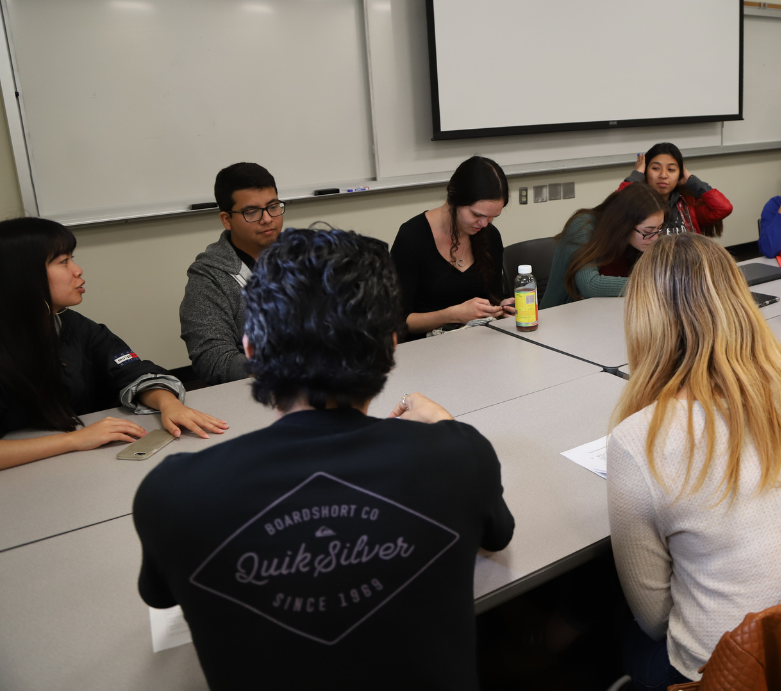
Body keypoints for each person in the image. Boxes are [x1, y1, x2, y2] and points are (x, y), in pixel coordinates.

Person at [134, 227, 515, 691]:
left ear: (251, 351)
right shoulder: (459, 454)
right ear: (391, 346)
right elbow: (496, 536)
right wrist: (446, 428)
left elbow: (162, 596)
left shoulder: (173, 492)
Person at [607, 233, 781, 690]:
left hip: (735, 673)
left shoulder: (637, 441)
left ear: (644, 321)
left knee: (621, 636)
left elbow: (656, 619)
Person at [0, 218, 227, 471]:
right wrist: (73, 440)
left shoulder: (70, 323)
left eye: (72, 259)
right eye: (63, 262)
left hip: (77, 466)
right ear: (24, 275)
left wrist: (169, 404)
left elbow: (131, 370)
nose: (78, 270)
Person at [180, 162, 284, 384]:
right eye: (252, 212)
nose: (267, 218)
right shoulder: (208, 277)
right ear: (227, 220)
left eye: (273, 206)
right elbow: (213, 360)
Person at [391, 156, 515, 338]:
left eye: (492, 217)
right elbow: (399, 321)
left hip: (478, 342)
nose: (484, 224)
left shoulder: (490, 236)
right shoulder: (412, 236)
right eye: (476, 215)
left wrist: (500, 308)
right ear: (454, 199)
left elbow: (492, 296)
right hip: (425, 347)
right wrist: (452, 314)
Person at [542, 184, 668, 308]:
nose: (655, 238)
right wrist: (653, 284)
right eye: (647, 231)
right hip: (562, 314)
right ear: (625, 224)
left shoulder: (636, 241)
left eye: (659, 228)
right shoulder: (583, 226)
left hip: (609, 310)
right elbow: (590, 286)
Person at [618, 143, 732, 237]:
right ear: (645, 172)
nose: (663, 175)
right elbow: (614, 210)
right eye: (655, 168)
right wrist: (636, 176)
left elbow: (723, 208)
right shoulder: (635, 205)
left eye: (671, 169)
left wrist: (691, 179)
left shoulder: (688, 203)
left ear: (680, 174)